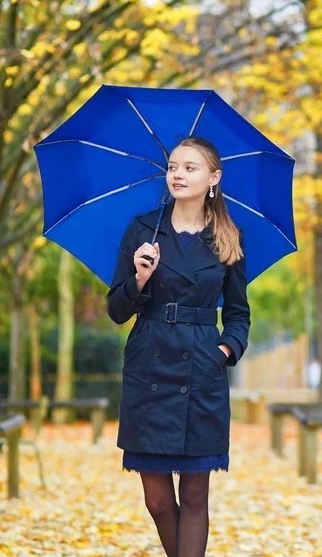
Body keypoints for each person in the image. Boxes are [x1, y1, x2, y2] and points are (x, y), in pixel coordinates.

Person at [107, 136, 250, 557]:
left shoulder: (228, 237)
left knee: (194, 496)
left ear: (213, 178)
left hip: (201, 368)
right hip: (149, 365)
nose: (178, 174)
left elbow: (239, 313)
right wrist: (139, 279)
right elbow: (116, 310)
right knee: (156, 500)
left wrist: (224, 352)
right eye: (173, 167)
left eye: (190, 167)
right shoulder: (142, 230)